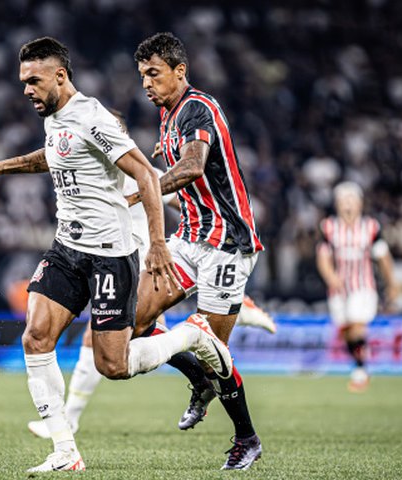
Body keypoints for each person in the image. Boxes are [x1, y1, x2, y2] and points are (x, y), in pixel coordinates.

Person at [0, 37, 234, 473]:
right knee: (36, 336)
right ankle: (65, 452)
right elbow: (51, 155)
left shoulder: (92, 116)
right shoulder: (54, 116)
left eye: (34, 80)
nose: (27, 90)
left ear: (60, 76)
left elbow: (144, 173)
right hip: (68, 248)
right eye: (23, 82)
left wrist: (158, 244)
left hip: (111, 256)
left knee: (114, 365)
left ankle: (190, 337)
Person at [27, 110, 276, 441]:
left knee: (101, 338)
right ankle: (225, 327)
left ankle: (69, 418)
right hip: (113, 267)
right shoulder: (89, 175)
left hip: (142, 265)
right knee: (134, 336)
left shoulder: (141, 174)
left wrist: (203, 244)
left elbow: (184, 201)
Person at [122, 32, 266, 470]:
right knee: (135, 321)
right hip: (189, 239)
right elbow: (149, 167)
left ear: (179, 71)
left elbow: (191, 166)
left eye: (154, 73)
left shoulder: (197, 108)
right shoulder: (166, 118)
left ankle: (247, 438)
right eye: (142, 75)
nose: (146, 83)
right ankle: (198, 381)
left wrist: (136, 195)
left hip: (227, 245)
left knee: (215, 351)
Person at [316, 181, 398, 392]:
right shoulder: (328, 227)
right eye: (343, 200)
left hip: (363, 287)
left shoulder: (371, 227)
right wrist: (331, 277)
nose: (348, 204)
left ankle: (361, 370)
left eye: (351, 199)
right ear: (336, 204)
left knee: (356, 325)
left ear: (360, 203)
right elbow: (323, 257)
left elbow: (383, 257)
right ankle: (361, 364)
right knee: (346, 331)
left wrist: (392, 284)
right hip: (338, 289)